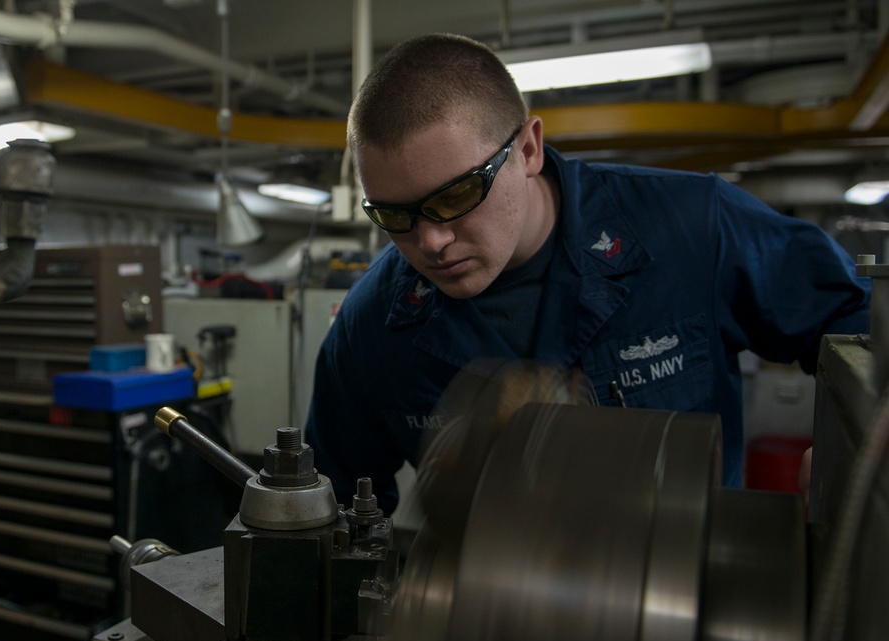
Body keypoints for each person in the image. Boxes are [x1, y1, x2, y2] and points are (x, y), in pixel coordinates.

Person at [305, 32, 871, 515]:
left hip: (695, 609)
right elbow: (341, 512)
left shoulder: (691, 228)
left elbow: (855, 316)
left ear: (528, 148)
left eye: (456, 195)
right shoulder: (372, 329)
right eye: (394, 216)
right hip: (497, 629)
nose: (429, 240)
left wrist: (857, 439)